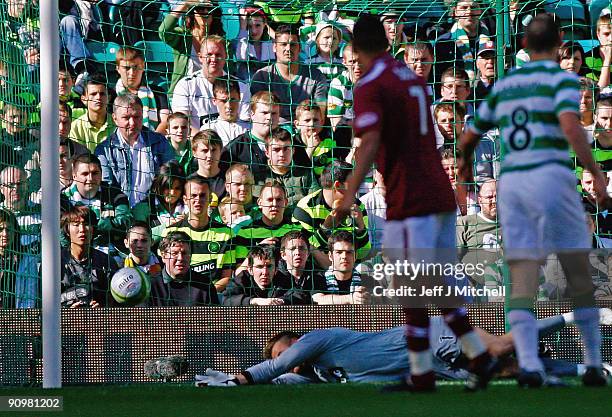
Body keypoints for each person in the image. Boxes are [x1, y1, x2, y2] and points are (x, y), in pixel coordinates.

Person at [336, 14, 495, 392]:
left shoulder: (369, 85)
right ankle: (469, 358)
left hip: (411, 197)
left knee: (413, 284)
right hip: (438, 191)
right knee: (428, 283)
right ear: (388, 44)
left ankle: (433, 370)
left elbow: (371, 142)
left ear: (356, 49)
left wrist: (347, 195)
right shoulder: (411, 78)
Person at [459, 13, 609, 387]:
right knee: (577, 268)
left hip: (514, 183)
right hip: (551, 176)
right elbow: (570, 124)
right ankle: (592, 363)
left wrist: (462, 167)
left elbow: (472, 131)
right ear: (560, 42)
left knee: (522, 277)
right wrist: (595, 170)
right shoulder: (561, 78)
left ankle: (529, 365)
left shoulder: (508, 83)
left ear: (523, 44)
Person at [192, 309, 612, 386]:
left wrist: (240, 378)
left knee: (502, 347)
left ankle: (579, 317)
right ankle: (592, 371)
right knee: (511, 370)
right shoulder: (321, 378)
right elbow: (284, 380)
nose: (287, 360)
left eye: (285, 353)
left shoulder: (317, 340)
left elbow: (274, 370)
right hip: (436, 364)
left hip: (432, 335)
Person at [95, 93, 174, 207]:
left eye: (136, 117)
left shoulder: (159, 142)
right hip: (121, 213)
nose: (132, 123)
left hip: (156, 212)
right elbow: (106, 187)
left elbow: (171, 176)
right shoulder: (104, 150)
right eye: (126, 118)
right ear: (115, 119)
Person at [162, 175, 235, 292]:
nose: (198, 200)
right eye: (193, 196)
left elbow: (227, 276)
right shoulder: (170, 232)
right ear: (185, 199)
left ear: (210, 198)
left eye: (202, 195)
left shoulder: (226, 233)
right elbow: (167, 273)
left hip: (214, 296)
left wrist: (206, 294)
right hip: (180, 295)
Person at [293, 161, 370, 269]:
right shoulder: (306, 208)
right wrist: (326, 228)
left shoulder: (358, 206)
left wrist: (360, 227)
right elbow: (305, 252)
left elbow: (363, 254)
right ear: (337, 185)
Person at [171, 35, 251, 133]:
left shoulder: (241, 86)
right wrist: (207, 144)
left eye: (218, 55)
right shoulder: (186, 85)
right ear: (200, 57)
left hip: (234, 143)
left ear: (225, 56)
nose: (213, 59)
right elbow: (182, 124)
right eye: (209, 54)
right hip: (199, 144)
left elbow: (245, 124)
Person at [250, 25, 329, 123]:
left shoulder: (316, 77)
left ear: (300, 48)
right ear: (274, 47)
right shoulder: (261, 76)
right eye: (283, 44)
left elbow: (320, 116)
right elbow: (258, 115)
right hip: (271, 130)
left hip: (306, 130)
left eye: (293, 44)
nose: (288, 48)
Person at [61, 153, 133, 253]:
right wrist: (104, 227)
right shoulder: (63, 199)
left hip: (112, 255)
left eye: (95, 173)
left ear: (101, 174)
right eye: (85, 174)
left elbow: (126, 222)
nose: (90, 178)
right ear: (74, 175)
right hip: (74, 256)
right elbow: (61, 234)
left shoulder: (115, 195)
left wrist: (91, 228)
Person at [158, 0, 226, 96]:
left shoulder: (222, 43)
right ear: (192, 12)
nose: (205, 12)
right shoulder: (182, 37)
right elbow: (163, 31)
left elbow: (227, 73)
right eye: (200, 8)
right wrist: (185, 4)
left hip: (213, 95)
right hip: (182, 94)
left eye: (210, 8)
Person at [60, 205, 118, 308]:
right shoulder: (56, 263)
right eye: (76, 224)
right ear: (67, 230)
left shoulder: (106, 262)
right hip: (61, 322)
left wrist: (101, 310)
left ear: (93, 229)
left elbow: (114, 304)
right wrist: (67, 313)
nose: (82, 229)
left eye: (86, 224)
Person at [220, 91, 281, 181]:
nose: (269, 117)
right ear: (252, 114)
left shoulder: (289, 144)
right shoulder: (234, 149)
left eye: (274, 113)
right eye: (264, 113)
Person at [151, 230, 220, 306]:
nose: (180, 258)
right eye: (175, 253)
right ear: (164, 256)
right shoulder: (151, 286)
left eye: (184, 253)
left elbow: (215, 317)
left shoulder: (205, 284)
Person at [115, 46, 170, 133]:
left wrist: (151, 141)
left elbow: (165, 122)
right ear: (118, 68)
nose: (132, 73)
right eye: (127, 68)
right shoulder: (111, 94)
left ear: (143, 66)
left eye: (135, 67)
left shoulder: (158, 92)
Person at [133, 160, 187, 245]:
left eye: (177, 188)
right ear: (158, 185)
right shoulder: (142, 208)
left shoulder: (188, 206)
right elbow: (139, 240)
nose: (172, 192)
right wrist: (166, 226)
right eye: (168, 187)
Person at [312, 231, 370, 305]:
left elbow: (380, 301)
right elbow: (318, 300)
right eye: (339, 252)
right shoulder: (318, 278)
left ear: (355, 256)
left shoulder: (367, 281)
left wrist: (368, 299)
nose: (344, 256)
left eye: (349, 252)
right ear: (330, 256)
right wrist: (351, 299)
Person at [222, 245, 290, 306]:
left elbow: (297, 294)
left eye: (269, 266)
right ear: (250, 269)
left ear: (276, 269)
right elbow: (227, 301)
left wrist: (280, 301)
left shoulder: (284, 280)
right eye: (259, 267)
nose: (265, 272)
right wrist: (254, 301)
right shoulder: (241, 279)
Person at [263, 127, 314, 206]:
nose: (282, 154)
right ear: (267, 153)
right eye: (276, 149)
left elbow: (315, 201)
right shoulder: (261, 177)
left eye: (286, 149)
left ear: (293, 150)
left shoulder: (305, 174)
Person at [277, 230, 326, 305]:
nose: (297, 253)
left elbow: (319, 299)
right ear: (283, 255)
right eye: (292, 249)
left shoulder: (317, 275)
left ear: (308, 253)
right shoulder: (275, 275)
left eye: (302, 248)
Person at [71, 73, 115, 153]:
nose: (98, 97)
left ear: (108, 98)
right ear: (84, 99)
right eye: (93, 94)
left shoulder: (118, 124)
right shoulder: (75, 127)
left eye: (102, 94)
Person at [233, 6, 275, 82]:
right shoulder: (241, 42)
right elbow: (240, 56)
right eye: (249, 26)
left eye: (257, 25)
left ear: (264, 24)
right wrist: (242, 28)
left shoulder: (271, 44)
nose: (253, 31)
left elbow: (281, 42)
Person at [327, 42, 362, 130]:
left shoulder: (374, 81)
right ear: (344, 62)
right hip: (347, 134)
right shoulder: (338, 83)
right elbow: (336, 124)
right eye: (352, 62)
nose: (357, 66)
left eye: (360, 61)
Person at [206, 78, 249, 146]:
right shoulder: (209, 129)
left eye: (233, 100)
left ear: (239, 98)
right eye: (223, 101)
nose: (229, 105)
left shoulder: (251, 128)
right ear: (214, 101)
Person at [190, 130, 226, 200]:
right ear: (194, 152)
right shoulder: (188, 183)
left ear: (221, 151)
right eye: (204, 151)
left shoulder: (230, 180)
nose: (209, 155)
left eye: (213, 150)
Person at [585, 13, 612, 89]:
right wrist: (607, 60)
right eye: (606, 34)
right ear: (598, 34)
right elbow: (599, 92)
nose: (611, 39)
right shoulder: (586, 59)